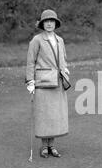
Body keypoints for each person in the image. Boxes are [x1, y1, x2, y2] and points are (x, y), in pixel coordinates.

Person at [25, 9, 70, 159]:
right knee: (44, 115)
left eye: (52, 21)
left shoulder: (60, 40)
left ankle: (52, 146)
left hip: (58, 82)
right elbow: (30, 62)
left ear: (55, 24)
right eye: (46, 21)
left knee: (55, 115)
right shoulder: (36, 40)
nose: (49, 24)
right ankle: (44, 147)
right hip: (43, 82)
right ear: (42, 24)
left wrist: (65, 70)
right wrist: (30, 81)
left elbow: (62, 58)